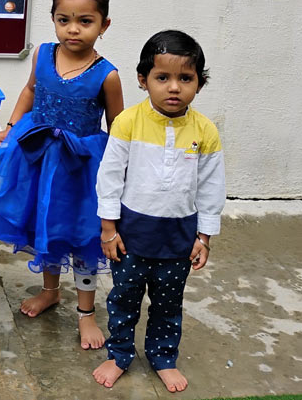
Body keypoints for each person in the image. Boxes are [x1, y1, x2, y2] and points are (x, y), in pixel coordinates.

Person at [0, 0, 124, 349]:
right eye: (64, 20)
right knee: (44, 226)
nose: (73, 29)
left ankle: (86, 313)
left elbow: (118, 128)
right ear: (54, 20)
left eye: (85, 21)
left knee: (82, 236)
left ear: (104, 25)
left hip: (80, 167)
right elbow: (30, 91)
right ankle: (50, 291)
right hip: (38, 157)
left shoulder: (107, 75)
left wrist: (120, 174)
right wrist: (10, 128)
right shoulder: (43, 54)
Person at [93, 30, 225, 393]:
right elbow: (109, 178)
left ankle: (163, 357)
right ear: (143, 79)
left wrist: (204, 237)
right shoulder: (128, 122)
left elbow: (212, 187)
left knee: (168, 305)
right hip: (130, 237)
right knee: (123, 301)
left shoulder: (205, 131)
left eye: (186, 78)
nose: (174, 87)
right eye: (162, 77)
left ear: (199, 83)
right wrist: (108, 230)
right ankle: (119, 355)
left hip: (178, 240)